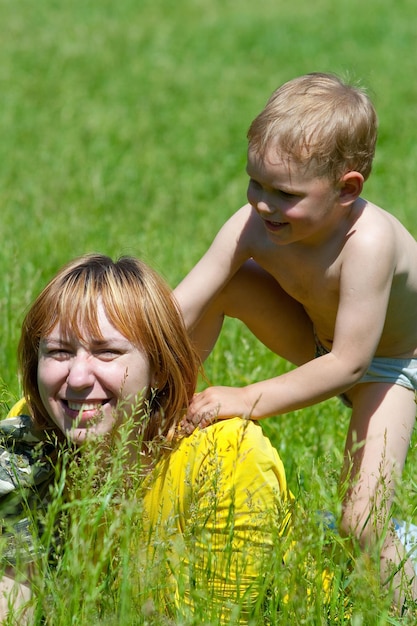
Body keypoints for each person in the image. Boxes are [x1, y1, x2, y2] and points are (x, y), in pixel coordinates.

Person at [174, 72, 417, 611]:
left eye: (285, 194)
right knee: (228, 283)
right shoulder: (255, 223)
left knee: (361, 521)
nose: (263, 204)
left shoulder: (369, 242)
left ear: (347, 189)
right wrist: (115, 344)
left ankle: (402, 606)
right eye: (255, 183)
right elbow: (183, 304)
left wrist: (243, 398)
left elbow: (352, 365)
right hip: (319, 341)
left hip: (390, 367)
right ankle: (167, 407)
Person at [0, 253, 292, 624]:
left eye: (106, 352)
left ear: (158, 368)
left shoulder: (228, 458)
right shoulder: (29, 431)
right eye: (58, 351)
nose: (76, 379)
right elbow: (12, 597)